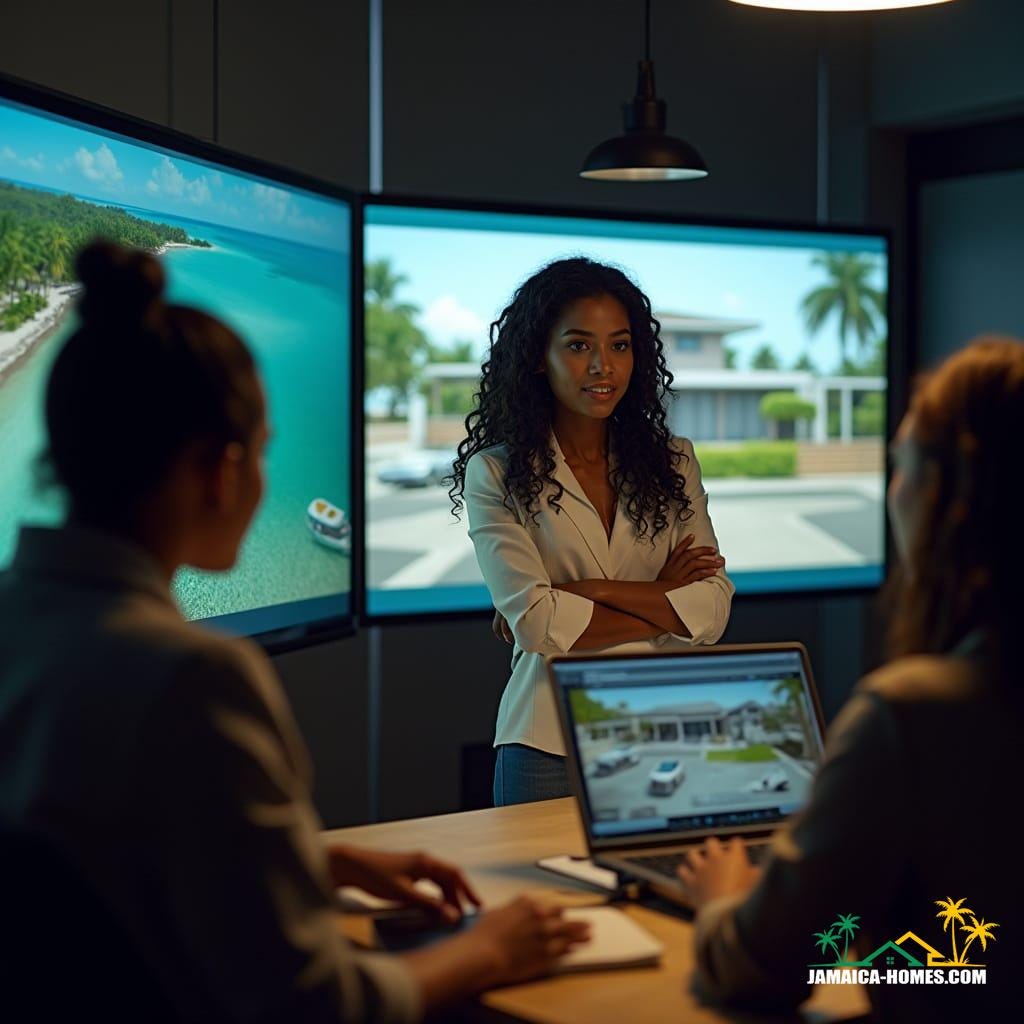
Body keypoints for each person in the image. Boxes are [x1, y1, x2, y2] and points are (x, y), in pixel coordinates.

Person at [0, 242, 588, 1023]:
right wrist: (489, 948)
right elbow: (314, 1004)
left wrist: (312, 861)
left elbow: (84, 859)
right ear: (221, 470)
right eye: (267, 452)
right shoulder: (191, 678)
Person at [675, 337, 1024, 1019]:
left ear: (947, 495)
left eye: (898, 464)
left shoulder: (910, 717)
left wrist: (722, 895)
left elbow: (757, 967)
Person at [450, 258, 734, 806]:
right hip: (546, 743)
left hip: (663, 731)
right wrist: (661, 599)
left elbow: (713, 609)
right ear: (539, 356)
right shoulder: (496, 472)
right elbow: (536, 624)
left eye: (620, 345)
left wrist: (586, 594)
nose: (603, 367)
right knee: (541, 895)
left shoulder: (675, 462)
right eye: (579, 346)